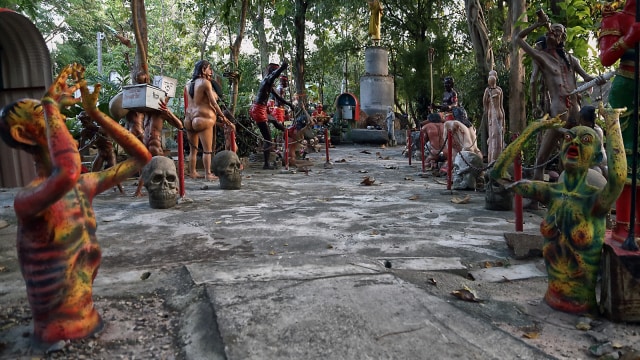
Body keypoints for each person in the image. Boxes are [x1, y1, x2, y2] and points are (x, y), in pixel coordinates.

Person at [0, 64, 152, 345]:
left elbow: (142, 157)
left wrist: (96, 114)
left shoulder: (84, 186)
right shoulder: (27, 202)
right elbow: (67, 171)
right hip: (57, 331)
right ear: (22, 134)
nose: (55, 117)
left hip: (87, 318)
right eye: (43, 115)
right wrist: (49, 104)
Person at [490, 106, 626, 314]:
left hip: (583, 310)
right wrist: (533, 129)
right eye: (570, 137)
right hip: (548, 303)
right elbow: (498, 174)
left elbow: (617, 180)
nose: (575, 142)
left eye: (586, 140)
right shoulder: (550, 192)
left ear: (597, 157)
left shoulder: (593, 201)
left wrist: (612, 121)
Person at [515, 15, 603, 203]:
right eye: (550, 30)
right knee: (541, 160)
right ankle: (536, 201)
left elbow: (587, 78)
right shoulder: (542, 58)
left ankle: (567, 201)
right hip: (558, 113)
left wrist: (598, 79)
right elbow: (518, 39)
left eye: (557, 31)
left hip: (574, 113)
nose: (551, 33)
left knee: (569, 160)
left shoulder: (572, 60)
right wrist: (537, 24)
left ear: (562, 38)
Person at [598, 0, 640, 246]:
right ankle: (623, 224)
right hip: (625, 88)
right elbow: (605, 59)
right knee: (624, 157)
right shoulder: (616, 17)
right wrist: (631, 37)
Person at [184, 60, 234, 180]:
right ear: (203, 69)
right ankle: (208, 174)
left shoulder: (187, 84)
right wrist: (223, 117)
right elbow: (214, 103)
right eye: (209, 68)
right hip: (203, 118)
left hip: (188, 119)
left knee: (193, 150)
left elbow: (188, 102)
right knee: (207, 150)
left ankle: (193, 172)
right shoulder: (205, 83)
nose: (210, 71)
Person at [133, 97, 184, 197]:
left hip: (146, 144)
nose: (166, 102)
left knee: (146, 167)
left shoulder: (146, 112)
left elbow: (180, 126)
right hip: (154, 144)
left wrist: (168, 113)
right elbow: (180, 125)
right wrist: (169, 113)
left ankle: (138, 191)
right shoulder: (157, 113)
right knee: (168, 167)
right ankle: (177, 188)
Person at [249, 60, 292, 169]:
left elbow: (278, 97)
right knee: (268, 139)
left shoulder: (269, 83)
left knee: (273, 120)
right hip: (258, 110)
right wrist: (282, 68)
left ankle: (287, 131)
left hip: (261, 109)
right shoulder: (267, 79)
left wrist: (289, 104)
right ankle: (266, 164)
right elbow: (273, 76)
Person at [483, 70, 505, 163]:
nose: (492, 78)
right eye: (490, 76)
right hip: (492, 116)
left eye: (493, 76)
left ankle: (499, 161)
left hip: (499, 114)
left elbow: (501, 106)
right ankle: (492, 160)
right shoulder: (487, 91)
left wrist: (504, 121)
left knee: (499, 139)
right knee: (493, 137)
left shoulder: (499, 90)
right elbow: (485, 106)